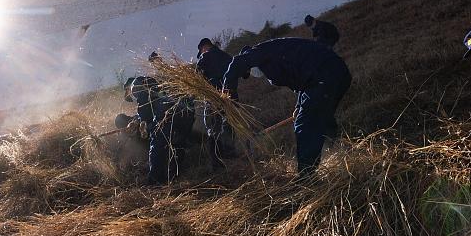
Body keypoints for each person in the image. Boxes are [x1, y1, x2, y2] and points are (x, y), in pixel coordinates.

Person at [222, 38, 352, 174]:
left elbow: (236, 63)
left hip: (323, 76)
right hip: (338, 73)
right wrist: (298, 106)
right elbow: (303, 84)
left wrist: (227, 95)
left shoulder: (259, 52)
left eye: (248, 70)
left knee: (305, 124)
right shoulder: (276, 56)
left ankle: (307, 176)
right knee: (323, 118)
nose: (252, 74)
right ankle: (335, 155)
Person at [124, 75, 195, 184]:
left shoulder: (135, 84)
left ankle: (154, 181)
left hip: (166, 114)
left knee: (157, 145)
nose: (132, 97)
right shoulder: (151, 82)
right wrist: (135, 121)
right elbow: (150, 104)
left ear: (128, 87)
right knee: (177, 144)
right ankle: (174, 176)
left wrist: (143, 123)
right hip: (186, 112)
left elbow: (145, 106)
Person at [195, 38, 234, 167]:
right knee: (229, 124)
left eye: (201, 51)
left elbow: (197, 78)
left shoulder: (204, 58)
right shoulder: (225, 56)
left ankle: (217, 163)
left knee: (212, 129)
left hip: (213, 99)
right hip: (230, 97)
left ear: (204, 47)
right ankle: (230, 154)